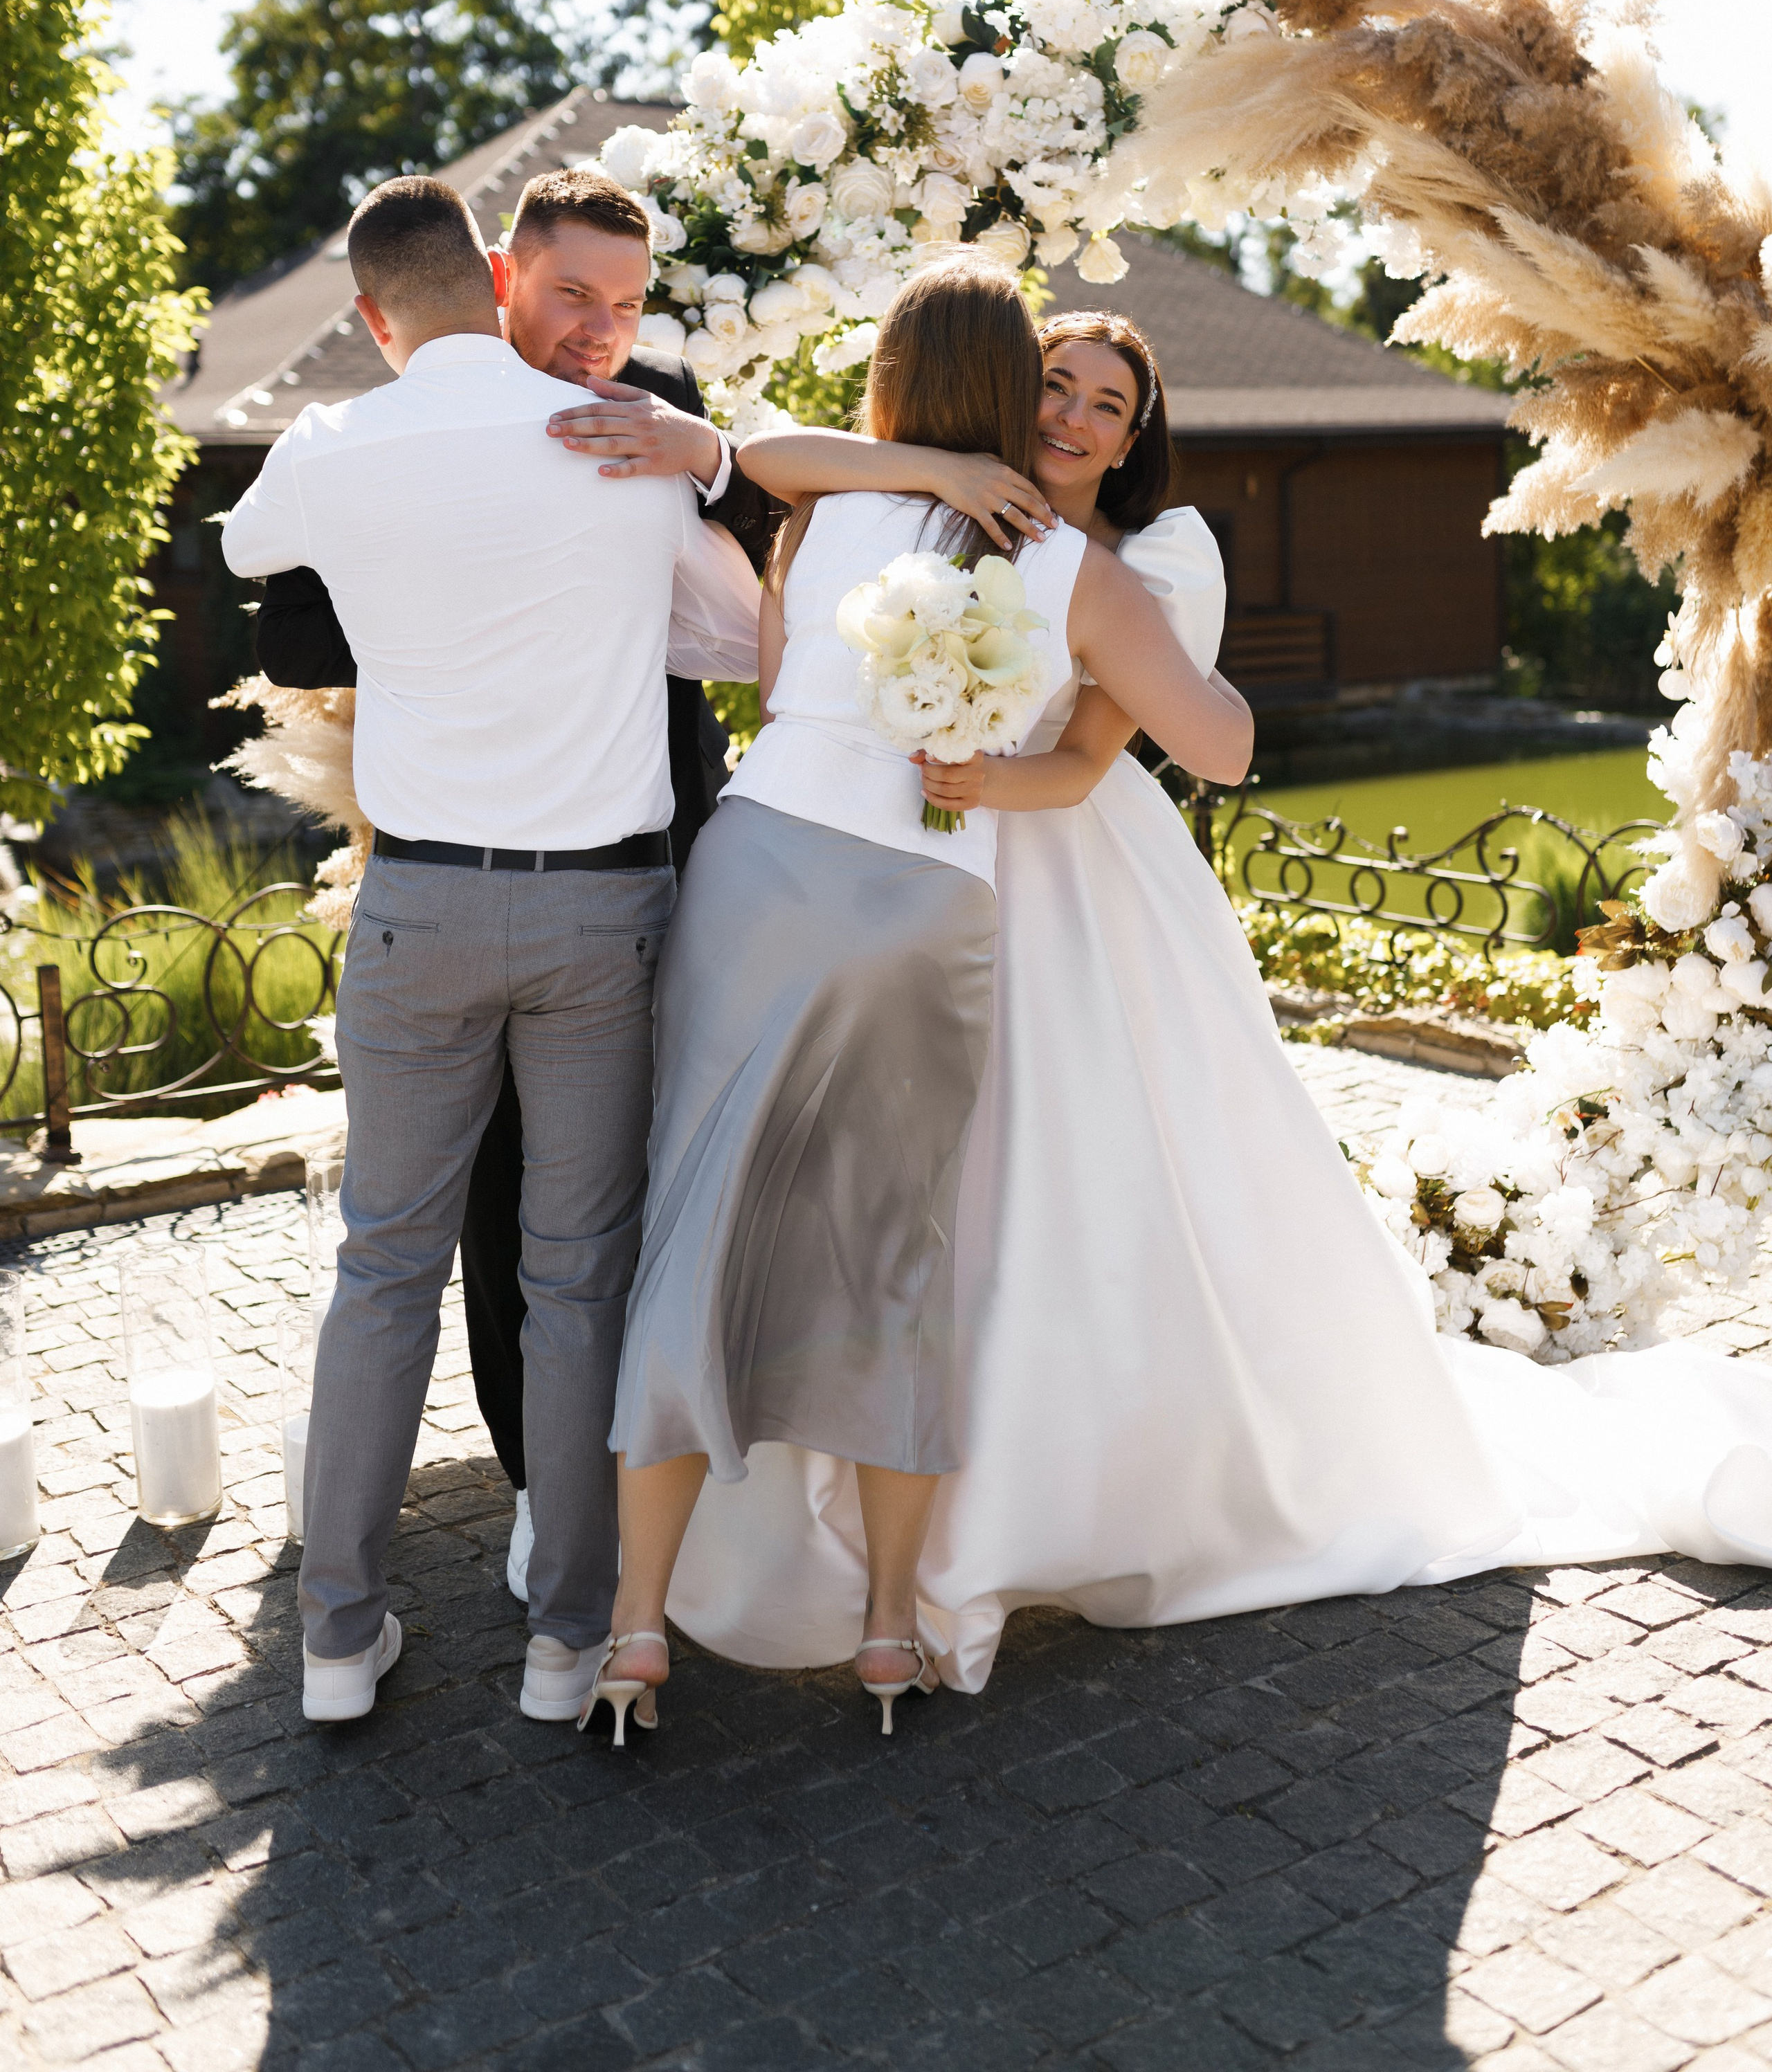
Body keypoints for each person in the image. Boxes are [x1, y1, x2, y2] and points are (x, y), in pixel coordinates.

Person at [658, 305, 1772, 1696]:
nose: (1068, 414)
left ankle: (1038, 1496)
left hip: (1060, 881)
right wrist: (941, 491)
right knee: (896, 1192)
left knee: (1051, 1177)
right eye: (1050, 385)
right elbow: (768, 458)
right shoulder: (904, 503)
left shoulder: (1134, 565)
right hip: (895, 883)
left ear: (1132, 440)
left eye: (1102, 403)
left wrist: (991, 774)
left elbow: (1127, 755)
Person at [589, 259, 1254, 1741]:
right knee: (895, 1264)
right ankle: (888, 1634)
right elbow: (1222, 748)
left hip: (755, 875)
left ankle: (636, 1627)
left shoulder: (826, 508)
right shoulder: (1079, 574)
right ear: (1014, 390)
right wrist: (1136, 668)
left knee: (692, 1235)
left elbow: (767, 658)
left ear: (898, 382)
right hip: (925, 903)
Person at [222, 174, 759, 1724]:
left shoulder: (335, 441)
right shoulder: (626, 447)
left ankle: (336, 1639)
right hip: (604, 910)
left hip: (421, 908)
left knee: (380, 1268)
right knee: (575, 1279)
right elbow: (735, 635)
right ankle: (565, 1643)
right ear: (499, 275)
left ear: (382, 315)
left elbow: (262, 564)